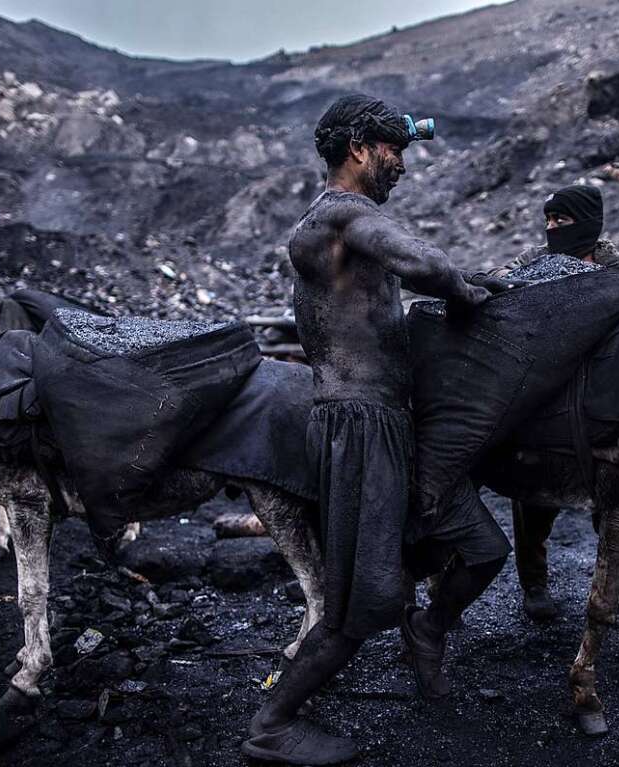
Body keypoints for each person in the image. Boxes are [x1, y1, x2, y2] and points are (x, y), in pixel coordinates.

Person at [242, 94, 511, 765]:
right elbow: (422, 263)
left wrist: (469, 279)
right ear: (361, 148)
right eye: (396, 151)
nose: (402, 166)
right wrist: (465, 288)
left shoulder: (345, 227)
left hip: (392, 423)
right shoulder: (340, 215)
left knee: (481, 546)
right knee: (358, 603)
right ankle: (271, 723)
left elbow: (391, 291)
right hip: (360, 428)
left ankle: (424, 630)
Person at [488, 184, 619, 621]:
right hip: (546, 384)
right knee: (533, 486)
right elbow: (498, 280)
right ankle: (534, 584)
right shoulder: (537, 259)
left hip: (600, 390)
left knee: (617, 492)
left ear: (587, 222)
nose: (552, 228)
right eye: (548, 220)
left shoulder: (616, 265)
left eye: (561, 221)